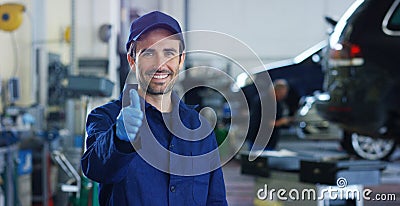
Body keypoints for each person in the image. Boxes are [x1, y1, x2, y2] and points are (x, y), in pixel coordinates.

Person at [81, 11, 228, 205]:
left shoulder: (199, 127)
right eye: (148, 53)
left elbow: (215, 200)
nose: (160, 65)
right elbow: (95, 169)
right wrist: (118, 140)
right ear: (132, 61)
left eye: (169, 53)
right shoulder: (105, 118)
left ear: (181, 60)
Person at [246, 78, 293, 150]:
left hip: (271, 141)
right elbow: (263, 122)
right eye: (283, 93)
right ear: (277, 91)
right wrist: (281, 122)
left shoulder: (278, 103)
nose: (284, 95)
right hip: (259, 141)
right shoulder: (262, 101)